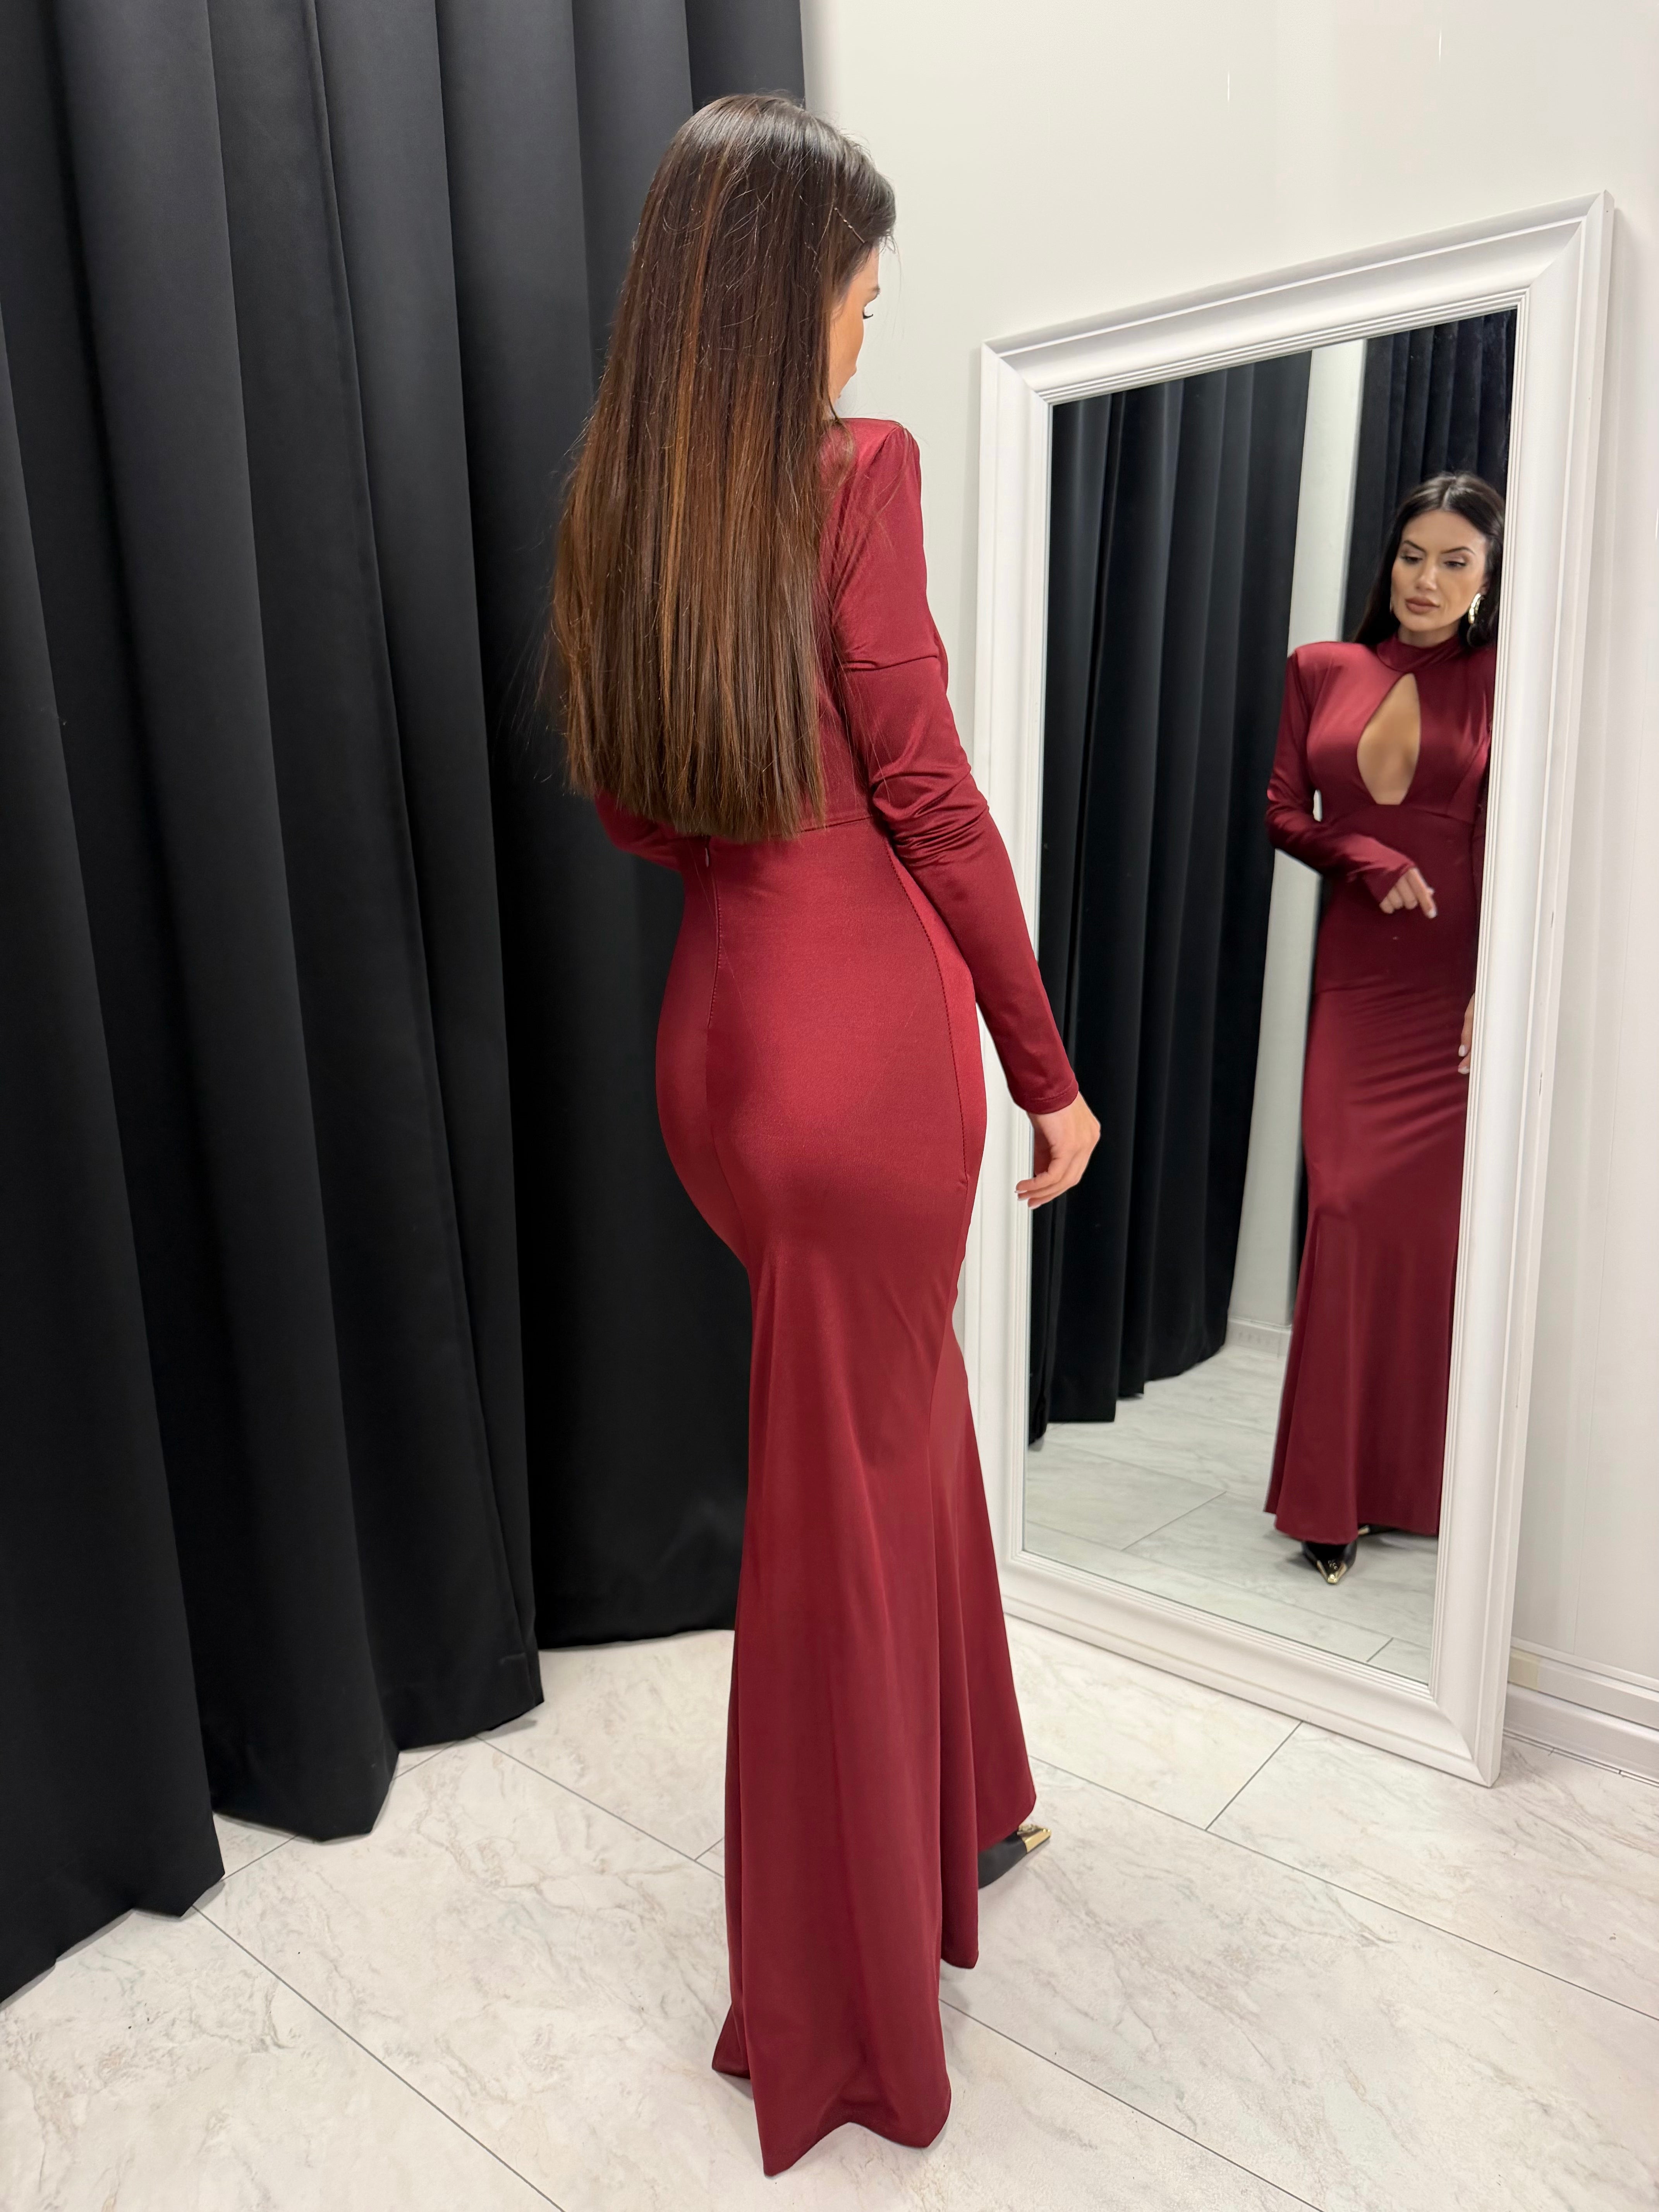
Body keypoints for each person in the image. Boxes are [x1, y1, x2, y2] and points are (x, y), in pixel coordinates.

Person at [548, 95, 1098, 2175]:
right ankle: (848, 2021)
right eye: (865, 289)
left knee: (894, 1432)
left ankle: (967, 1810)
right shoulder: (856, 472)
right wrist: (1045, 1068)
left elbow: (640, 811)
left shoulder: (625, 511)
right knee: (841, 1520)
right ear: (795, 298)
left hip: (716, 1053)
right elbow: (927, 793)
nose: (874, 325)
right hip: (861, 1057)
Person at [1262, 474, 1502, 1583]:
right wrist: (1358, 852)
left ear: (1487, 580)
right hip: (1357, 988)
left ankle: (1416, 1488)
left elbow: (1518, 836)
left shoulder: (1506, 680)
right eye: (1414, 555)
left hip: (1459, 989)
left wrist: (1500, 985)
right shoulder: (1321, 668)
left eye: (1456, 562)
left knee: (1432, 1240)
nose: (1427, 580)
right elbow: (1282, 810)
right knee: (1346, 1209)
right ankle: (1328, 1498)